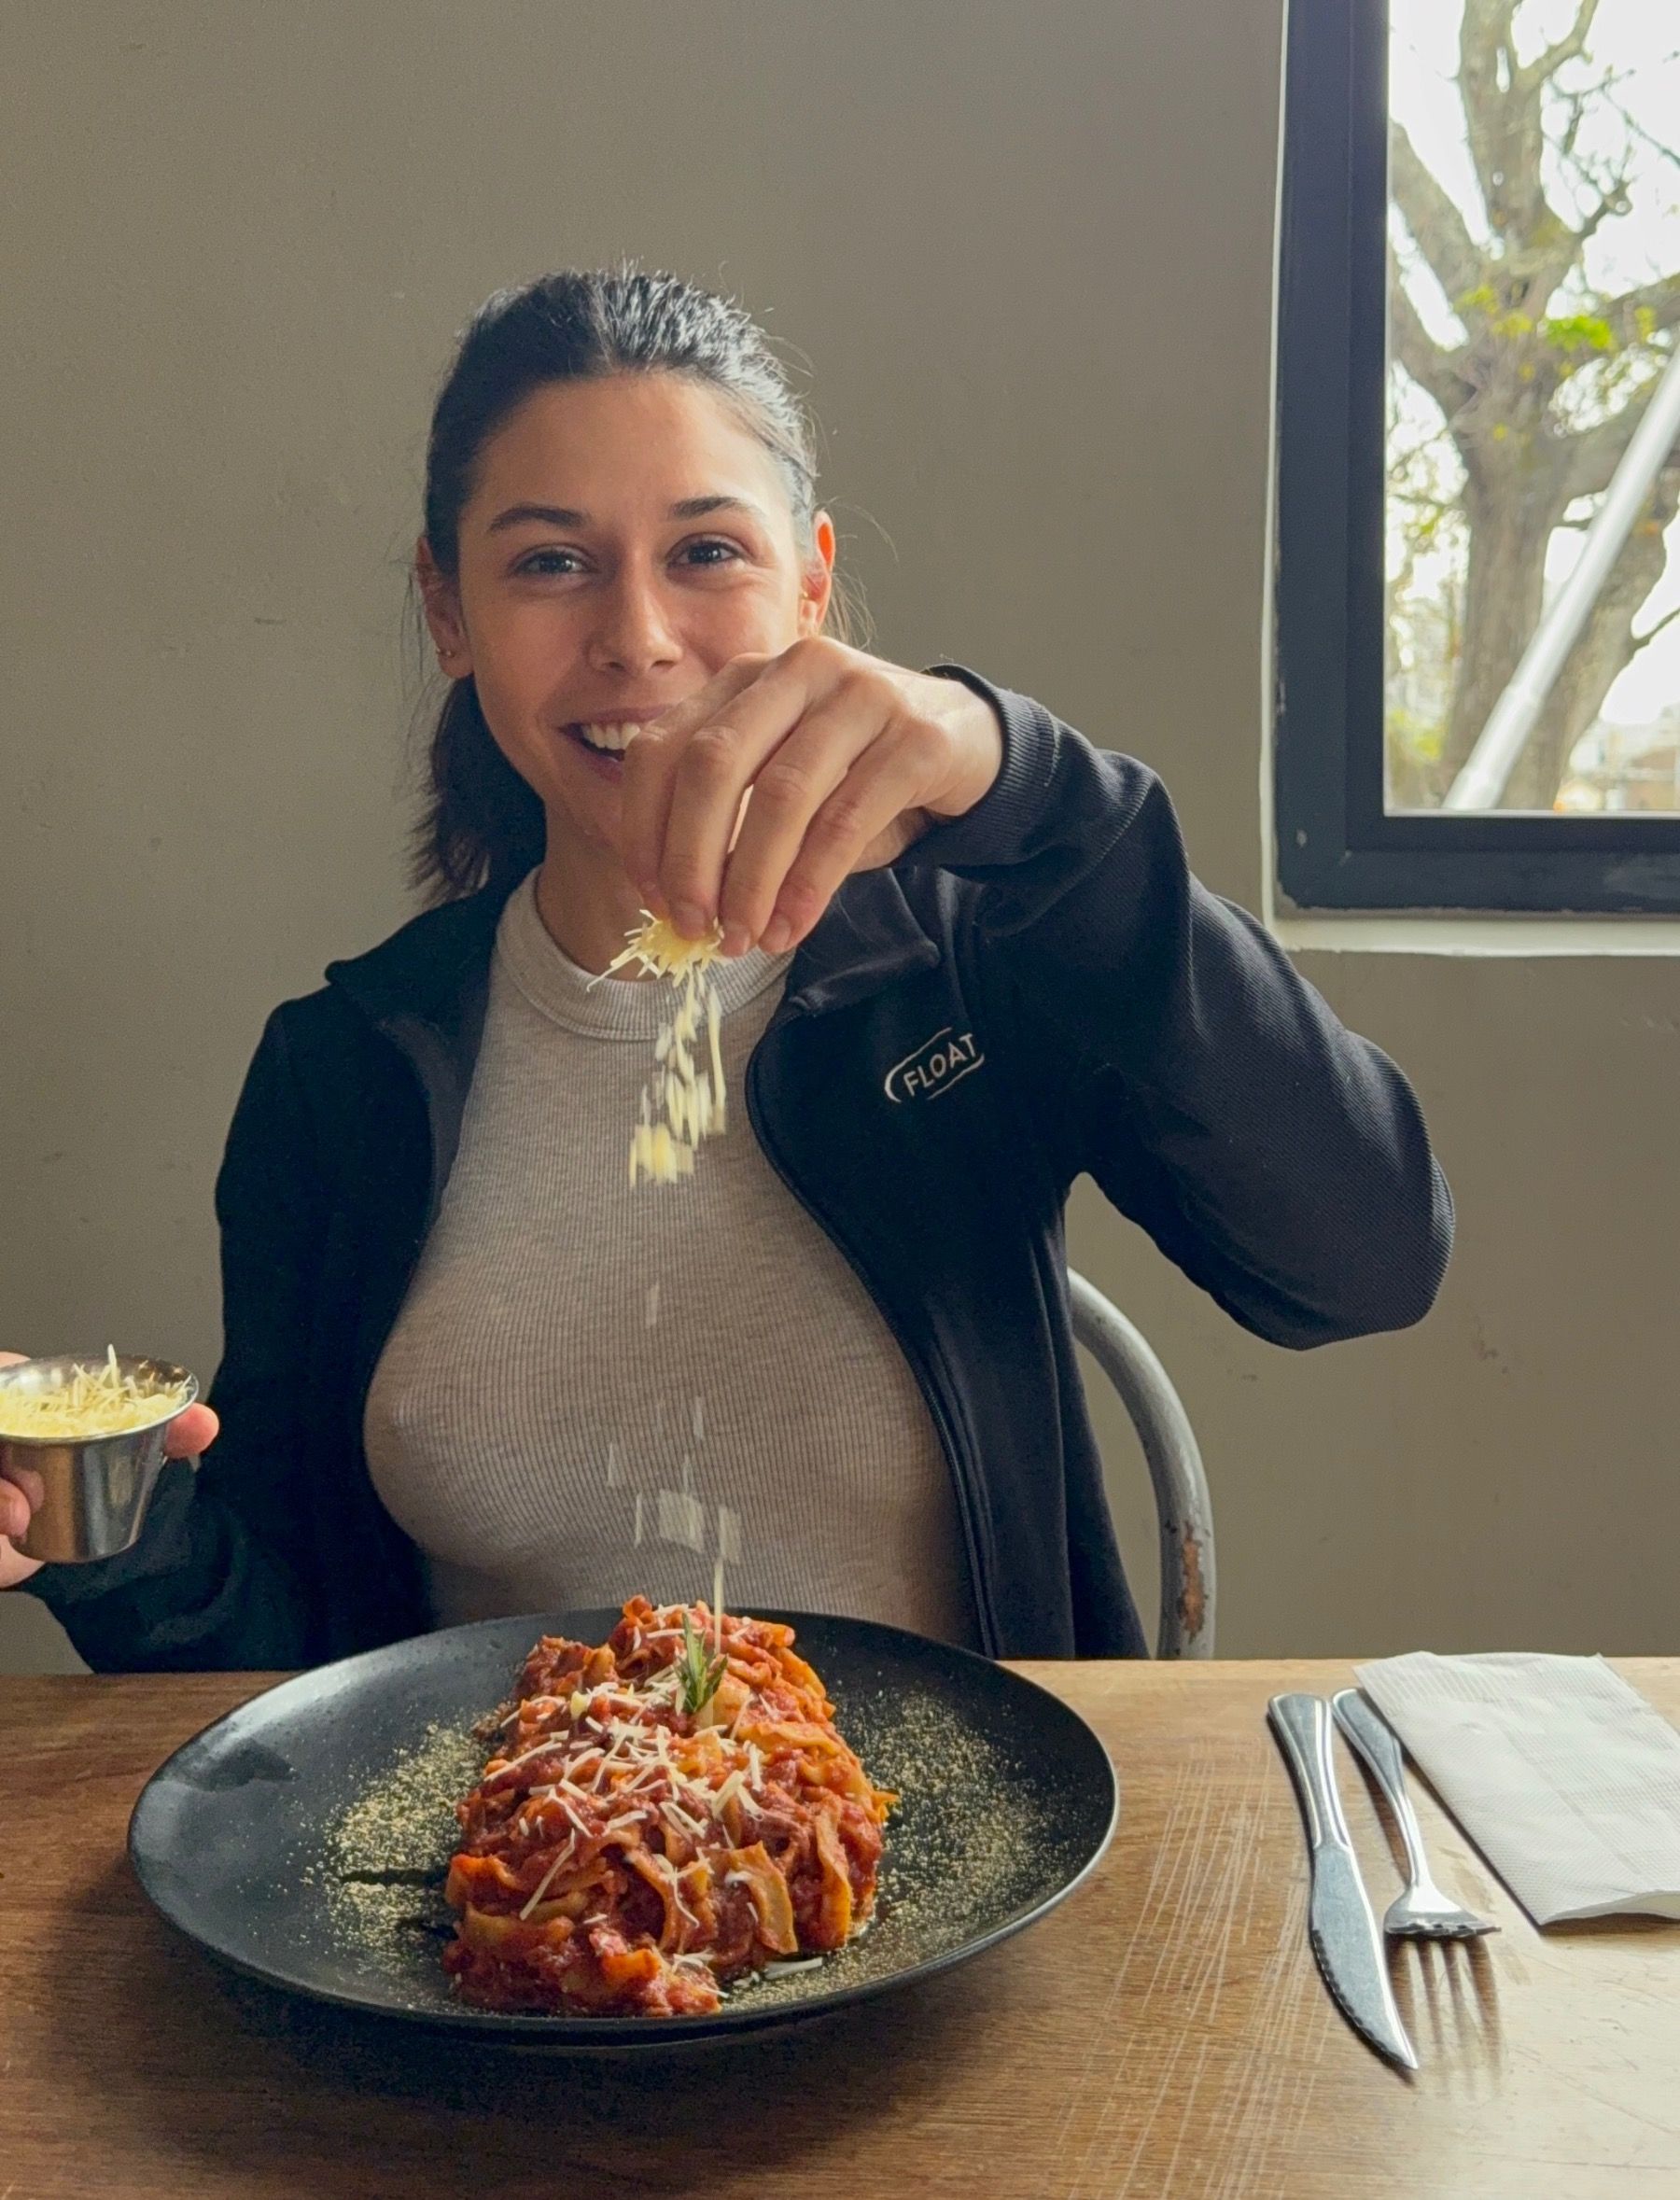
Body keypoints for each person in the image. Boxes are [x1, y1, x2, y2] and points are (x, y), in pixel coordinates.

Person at [1, 263, 1452, 1669]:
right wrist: (95, 1521)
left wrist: (1029, 787)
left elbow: (1363, 1258)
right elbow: (288, 1675)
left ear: (810, 584)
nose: (636, 639)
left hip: (964, 1822)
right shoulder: (340, 1070)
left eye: (706, 552)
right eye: (551, 562)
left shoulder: (969, 957)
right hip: (516, 1836)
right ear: (450, 613)